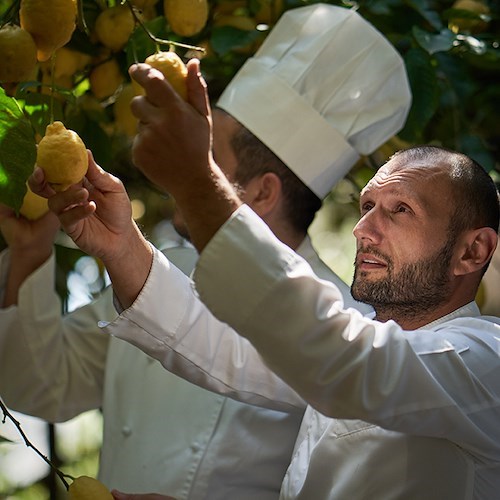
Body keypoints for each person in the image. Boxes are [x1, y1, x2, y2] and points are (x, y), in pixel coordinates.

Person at [31, 18, 500, 499]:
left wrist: (196, 180)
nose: (363, 229)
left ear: (473, 251)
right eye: (365, 208)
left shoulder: (486, 360)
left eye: (400, 210)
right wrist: (120, 244)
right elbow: (224, 348)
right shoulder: (356, 340)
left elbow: (345, 360)